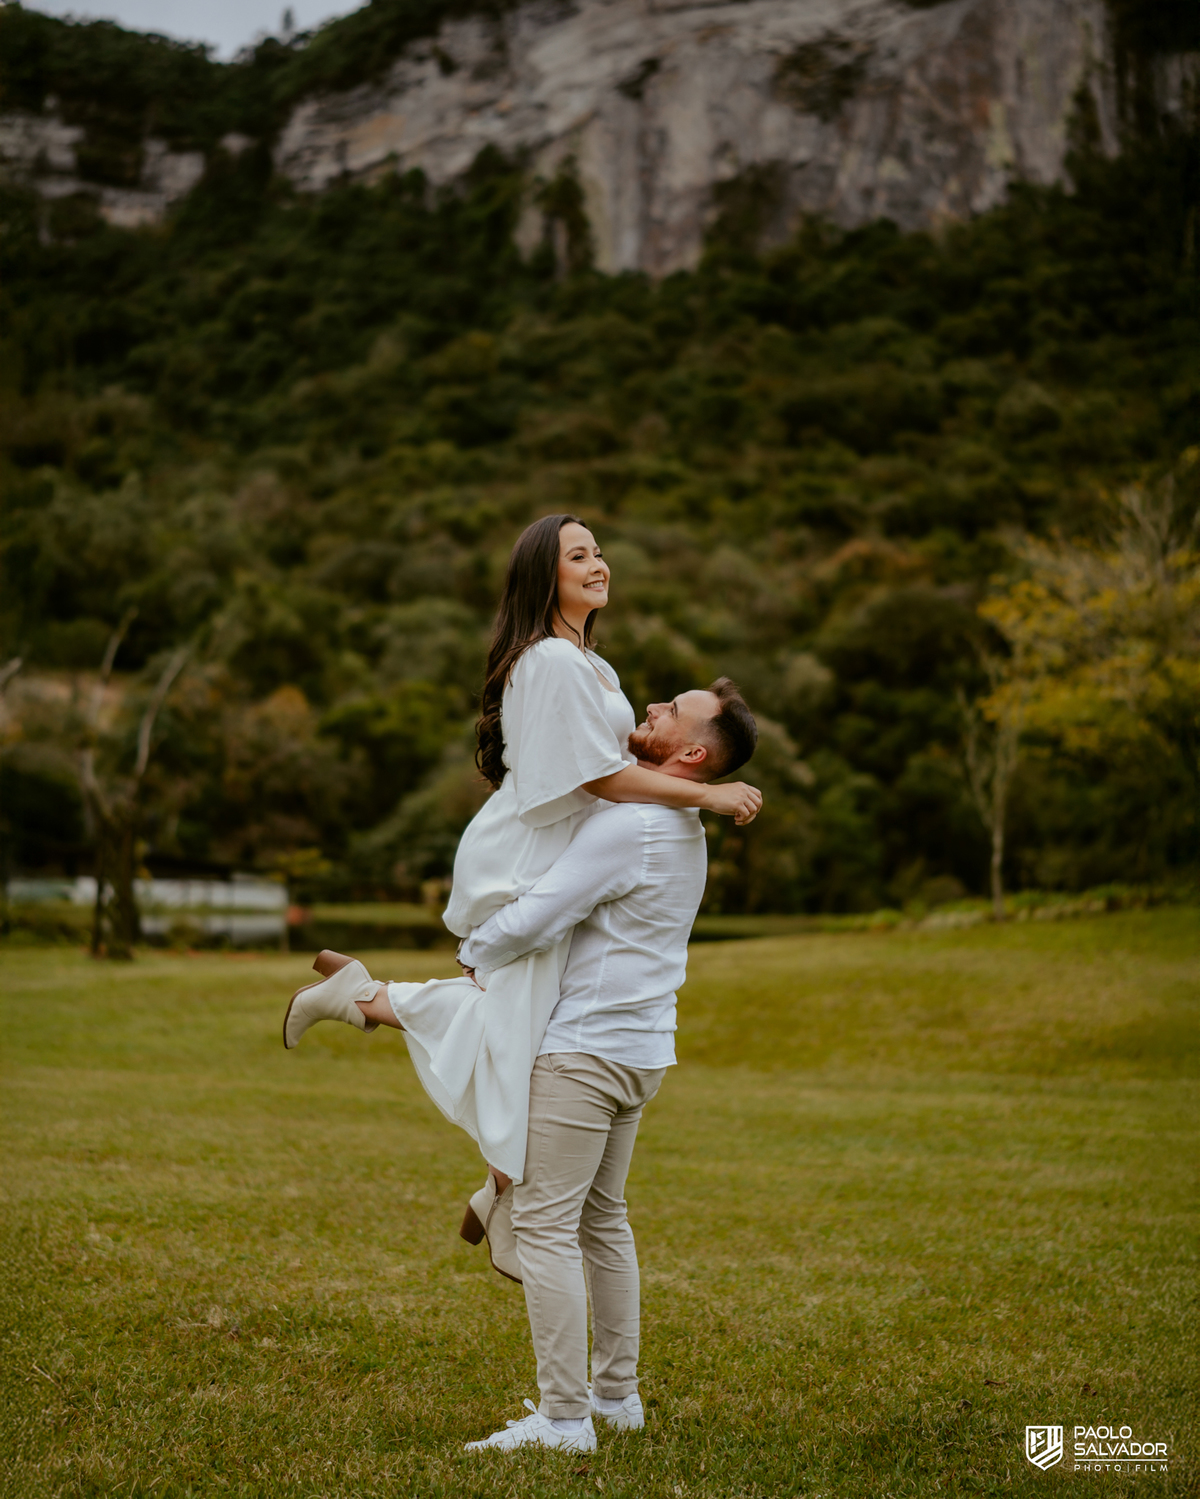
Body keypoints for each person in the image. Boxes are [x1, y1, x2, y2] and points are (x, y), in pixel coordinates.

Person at [287, 678, 758, 1454]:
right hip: (642, 1052)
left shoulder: (637, 825)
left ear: (692, 751)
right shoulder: (678, 824)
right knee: (603, 1222)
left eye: (668, 713)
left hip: (585, 1053)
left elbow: (539, 914)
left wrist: (474, 950)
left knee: (545, 1228)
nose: (650, 711)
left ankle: (565, 1418)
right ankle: (616, 1397)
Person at [283, 515, 761, 1217]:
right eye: (578, 555)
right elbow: (599, 778)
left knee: (528, 1025)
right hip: (528, 849)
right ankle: (489, 1166)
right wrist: (705, 793)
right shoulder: (550, 661)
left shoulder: (595, 665)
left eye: (598, 551)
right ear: (547, 576)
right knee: (522, 1022)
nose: (598, 563)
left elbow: (615, 764)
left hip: (563, 845)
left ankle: (492, 1174)